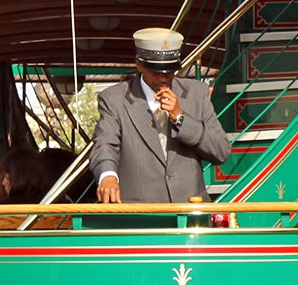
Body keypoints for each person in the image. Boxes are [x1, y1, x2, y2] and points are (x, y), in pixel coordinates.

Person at [93, 28, 232, 204]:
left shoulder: (197, 93)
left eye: (169, 71)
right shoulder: (114, 99)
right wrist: (108, 176)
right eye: (155, 71)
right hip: (141, 215)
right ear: (139, 64)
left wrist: (180, 117)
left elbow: (221, 151)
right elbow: (105, 143)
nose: (163, 78)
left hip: (189, 212)